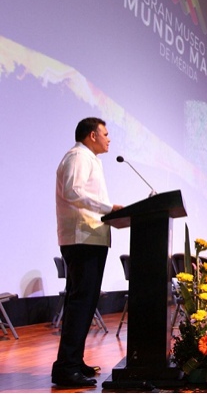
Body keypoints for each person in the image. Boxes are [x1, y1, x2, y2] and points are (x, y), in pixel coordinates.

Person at [52, 118, 123, 387]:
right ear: (92, 135)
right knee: (81, 303)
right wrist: (108, 207)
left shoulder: (90, 158)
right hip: (82, 239)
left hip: (89, 238)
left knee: (84, 303)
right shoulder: (78, 156)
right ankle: (66, 368)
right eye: (106, 133)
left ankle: (72, 361)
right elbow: (73, 191)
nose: (109, 138)